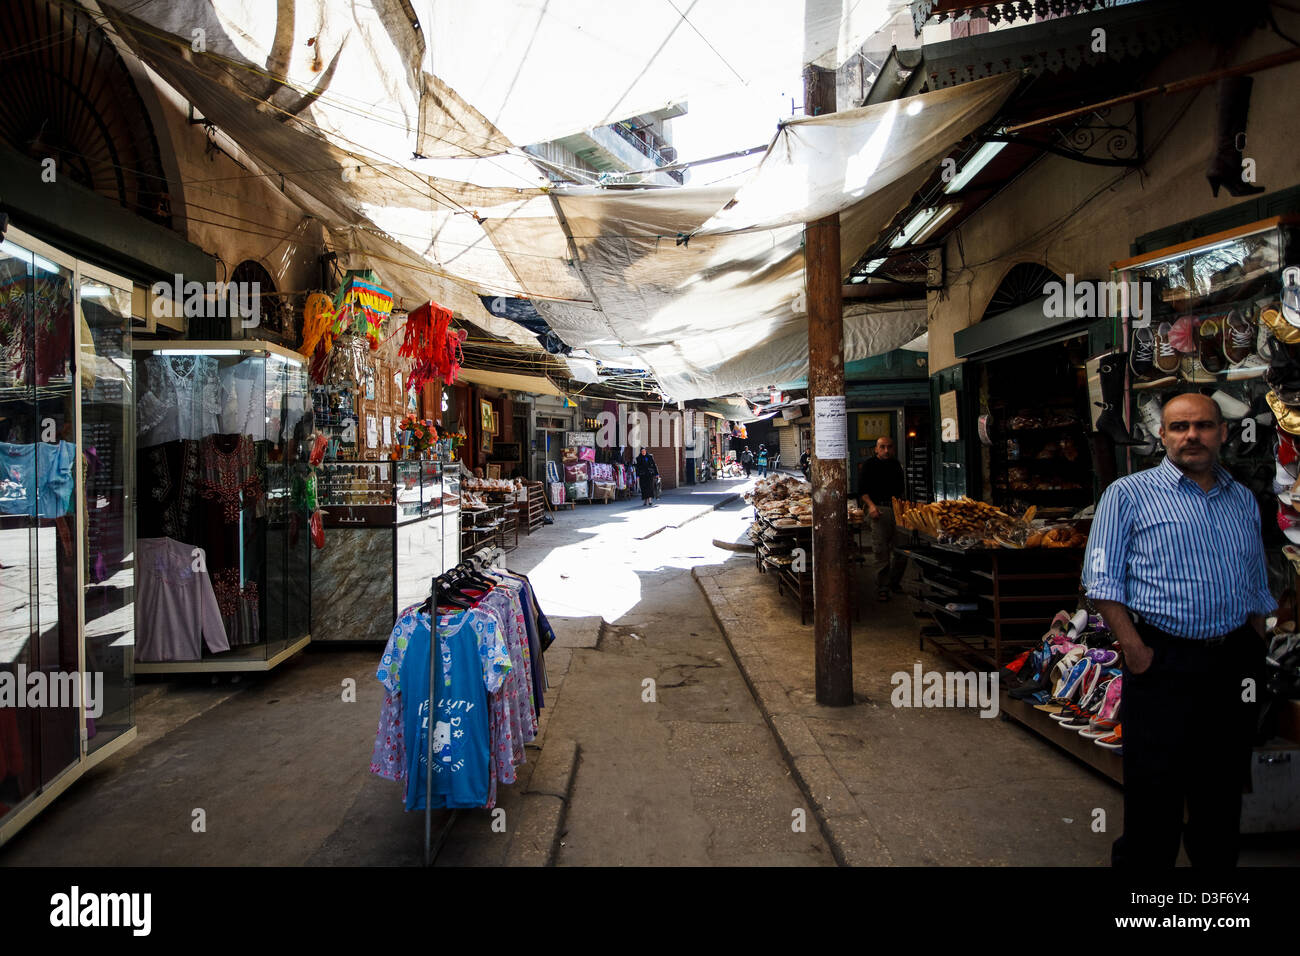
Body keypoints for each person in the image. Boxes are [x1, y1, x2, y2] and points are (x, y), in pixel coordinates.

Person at [1082, 392, 1272, 868]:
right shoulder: (1128, 495)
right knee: (1154, 791)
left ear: (1222, 433)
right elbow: (1100, 579)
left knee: (1222, 789)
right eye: (1180, 427)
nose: (1193, 436)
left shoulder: (1242, 498)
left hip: (1232, 661)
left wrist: (1256, 638)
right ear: (1161, 435)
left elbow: (1254, 578)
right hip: (1162, 660)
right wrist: (1135, 649)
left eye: (1204, 426)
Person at [858, 436, 906, 602]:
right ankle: (883, 587)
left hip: (897, 509)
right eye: (883, 447)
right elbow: (862, 491)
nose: (886, 450)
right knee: (881, 550)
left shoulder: (896, 465)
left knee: (902, 549)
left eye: (889, 447)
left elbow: (901, 490)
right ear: (876, 449)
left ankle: (894, 582)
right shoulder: (869, 465)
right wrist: (871, 506)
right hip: (878, 509)